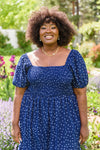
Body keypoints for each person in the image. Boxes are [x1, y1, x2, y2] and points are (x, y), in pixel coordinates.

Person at [11, 6, 89, 150]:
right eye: (43, 28)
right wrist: (15, 124)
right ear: (37, 33)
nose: (48, 31)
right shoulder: (26, 60)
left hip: (65, 118)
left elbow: (81, 93)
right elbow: (18, 93)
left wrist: (84, 125)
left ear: (60, 31)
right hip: (33, 119)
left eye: (53, 27)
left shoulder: (74, 58)